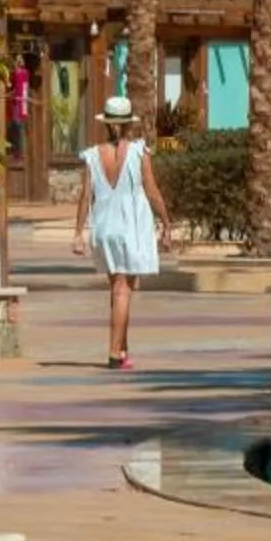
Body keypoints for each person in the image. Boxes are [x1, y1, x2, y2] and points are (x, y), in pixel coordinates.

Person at [73, 96, 167, 369]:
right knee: (123, 290)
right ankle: (115, 353)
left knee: (117, 287)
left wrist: (79, 231)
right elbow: (151, 189)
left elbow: (85, 196)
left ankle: (123, 350)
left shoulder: (92, 155)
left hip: (104, 226)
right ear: (128, 124)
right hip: (131, 225)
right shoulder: (139, 152)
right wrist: (166, 221)